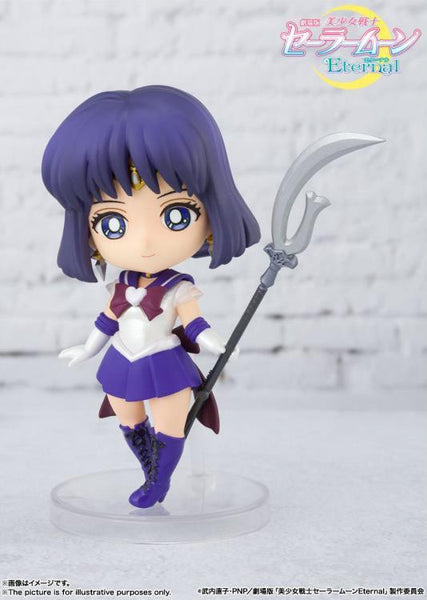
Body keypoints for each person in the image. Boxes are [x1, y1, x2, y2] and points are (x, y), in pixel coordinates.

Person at [41, 85, 260, 508]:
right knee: (127, 415)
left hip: (163, 362)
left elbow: (194, 322)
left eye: (176, 215)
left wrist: (213, 342)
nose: (144, 242)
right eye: (112, 223)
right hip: (122, 359)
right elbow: (107, 321)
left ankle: (159, 482)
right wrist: (87, 349)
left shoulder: (177, 287)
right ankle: (150, 468)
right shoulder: (119, 287)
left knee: (170, 422)